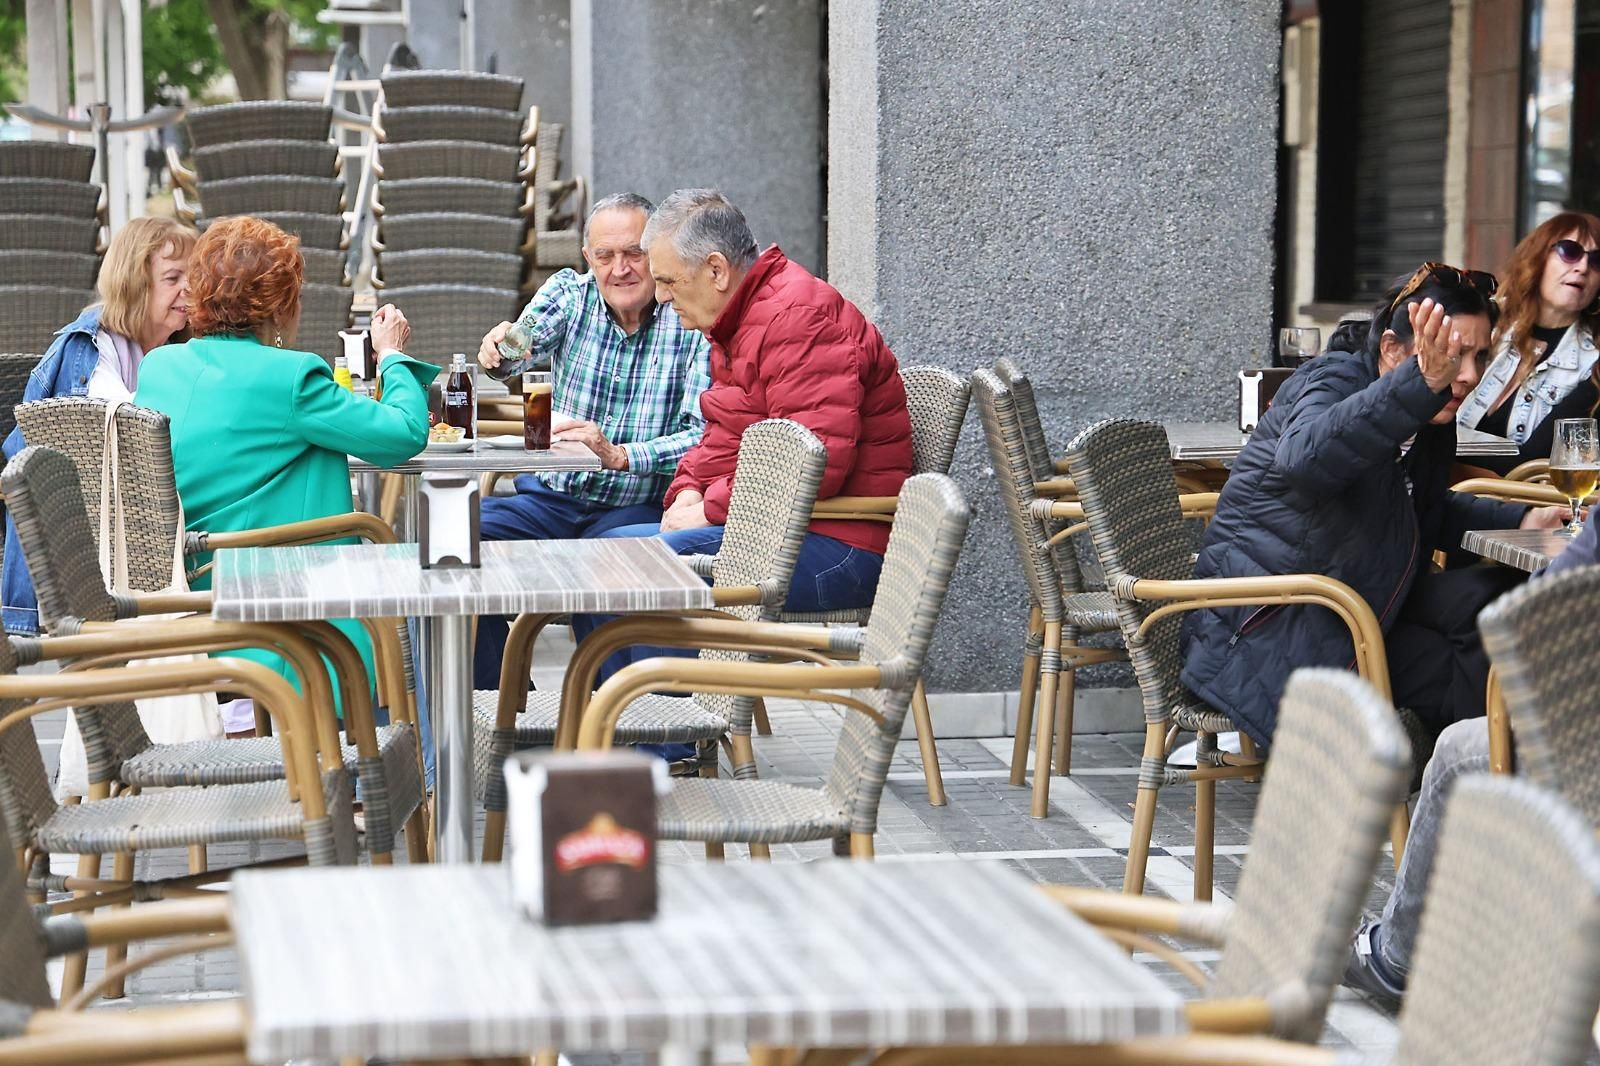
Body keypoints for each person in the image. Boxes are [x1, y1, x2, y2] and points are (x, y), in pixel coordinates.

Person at [1180, 264, 1569, 747]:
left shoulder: (1430, 409)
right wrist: (1420, 386)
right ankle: (1467, 770)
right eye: (1449, 353)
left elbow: (1423, 509)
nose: (1468, 375)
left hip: (1358, 599)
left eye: (1479, 356)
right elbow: (1303, 461)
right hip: (1272, 625)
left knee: (1498, 597)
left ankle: (1467, 766)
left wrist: (1524, 518)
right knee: (1476, 674)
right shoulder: (1334, 380)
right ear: (1391, 348)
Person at [573, 188, 914, 697]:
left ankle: (674, 733)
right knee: (596, 562)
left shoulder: (797, 318)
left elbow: (816, 464)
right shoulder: (741, 320)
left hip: (842, 547)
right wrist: (686, 491)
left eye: (668, 281)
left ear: (715, 269)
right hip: (787, 531)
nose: (660, 296)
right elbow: (722, 435)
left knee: (628, 565)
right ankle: (624, 728)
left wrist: (708, 508)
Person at [135, 215, 437, 735]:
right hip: (286, 597)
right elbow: (404, 433)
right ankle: (402, 766)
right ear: (280, 306)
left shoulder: (159, 368)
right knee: (416, 593)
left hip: (188, 593)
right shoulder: (292, 377)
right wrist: (391, 355)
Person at [1344, 515, 1599, 1005]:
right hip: (1328, 612)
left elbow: (1537, 613)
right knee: (1472, 618)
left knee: (1458, 749)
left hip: (1324, 611)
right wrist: (1514, 517)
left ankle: (1397, 957)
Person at [472, 192, 711, 689]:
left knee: (615, 559)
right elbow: (518, 350)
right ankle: (498, 703)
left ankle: (627, 720)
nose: (620, 269)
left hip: (636, 506)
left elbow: (701, 437)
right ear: (588, 258)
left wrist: (621, 456)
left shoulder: (688, 317)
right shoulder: (570, 294)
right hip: (550, 500)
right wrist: (499, 351)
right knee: (456, 540)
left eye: (634, 253)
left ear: (657, 253)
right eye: (605, 255)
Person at [1, 216, 197, 635]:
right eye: (173, 277)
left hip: (146, 534)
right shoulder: (90, 350)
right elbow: (130, 436)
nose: (189, 289)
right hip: (92, 552)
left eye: (193, 277)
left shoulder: (178, 350)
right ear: (134, 284)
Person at [1456, 211, 1600, 475]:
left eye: (1597, 261)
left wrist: (1440, 445)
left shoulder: (1593, 365)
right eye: (1570, 251)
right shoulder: (1487, 321)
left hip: (1505, 498)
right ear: (1538, 256)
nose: (1582, 267)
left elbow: (1531, 463)